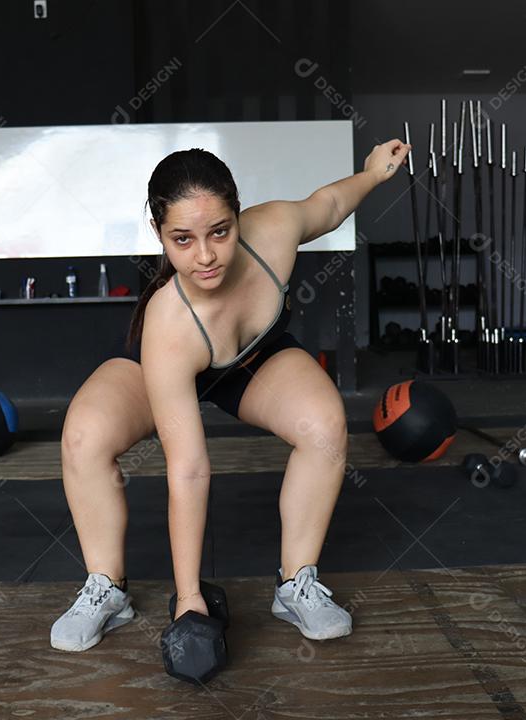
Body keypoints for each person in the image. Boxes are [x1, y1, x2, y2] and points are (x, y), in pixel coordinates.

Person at [51, 140, 411, 652]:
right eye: (182, 239)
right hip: (159, 361)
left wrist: (374, 173)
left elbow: (328, 206)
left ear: (239, 215)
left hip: (249, 358)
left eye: (220, 231)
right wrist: (189, 597)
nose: (205, 256)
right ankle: (106, 589)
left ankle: (296, 584)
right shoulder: (168, 323)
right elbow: (190, 468)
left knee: (324, 425)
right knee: (84, 436)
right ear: (158, 233)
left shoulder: (275, 231)